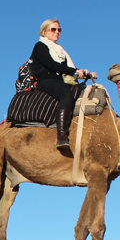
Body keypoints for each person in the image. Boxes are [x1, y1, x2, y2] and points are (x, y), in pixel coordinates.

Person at [29, 20, 96, 148]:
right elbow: (51, 65)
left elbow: (67, 68)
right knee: (66, 94)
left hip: (59, 80)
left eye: (59, 29)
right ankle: (62, 136)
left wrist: (85, 73)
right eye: (53, 29)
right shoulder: (40, 46)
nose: (57, 32)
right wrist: (75, 72)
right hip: (46, 80)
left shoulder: (60, 51)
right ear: (44, 31)